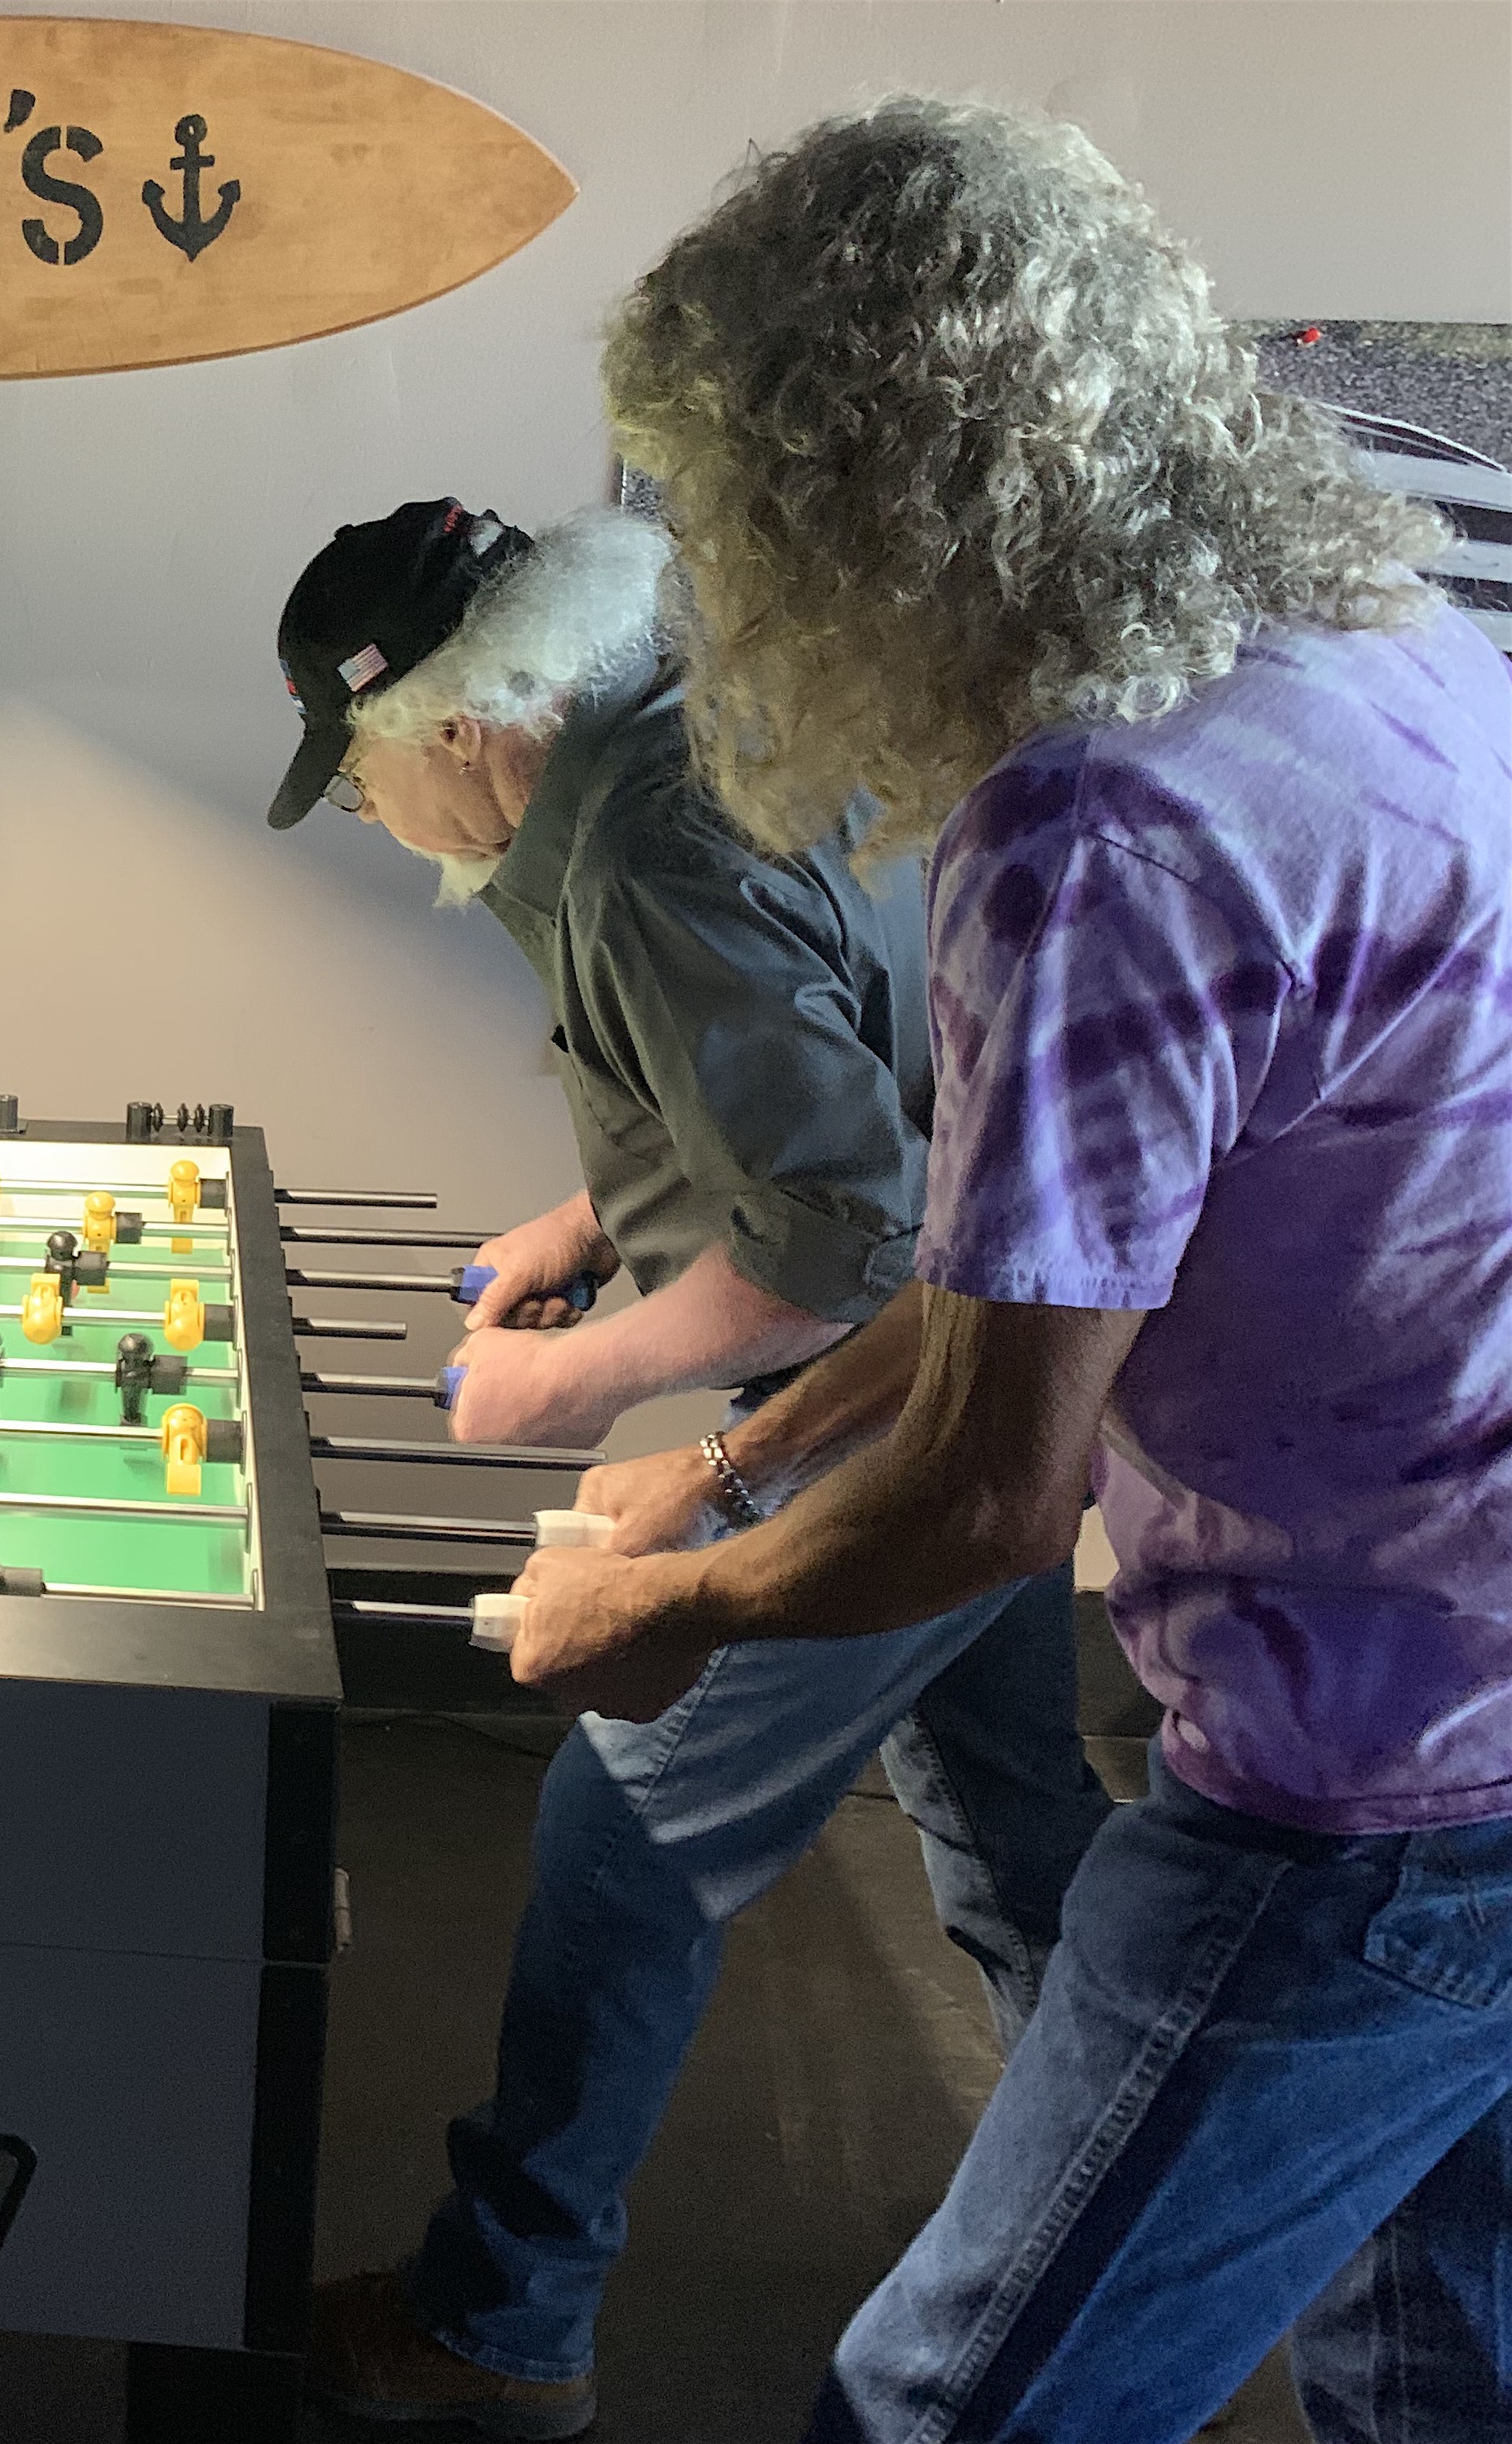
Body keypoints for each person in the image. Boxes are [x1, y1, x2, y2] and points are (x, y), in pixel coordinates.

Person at [516, 98, 1512, 2441]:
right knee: (1439, 2380)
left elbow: (988, 1493)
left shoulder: (1098, 820)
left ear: (846, 500)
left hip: (1356, 1786)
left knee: (948, 2408)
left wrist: (649, 1612)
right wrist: (738, 1459)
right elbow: (1030, 1264)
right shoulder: (1393, 653)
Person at [272, 500, 1111, 2437]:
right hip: (967, 1358)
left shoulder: (639, 851)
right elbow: (787, 1064)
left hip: (879, 1386)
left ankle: (497, 2326)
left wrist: (597, 1408)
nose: (369, 817)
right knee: (1001, 1826)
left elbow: (831, 1231)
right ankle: (1118, 2224)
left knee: (618, 1838)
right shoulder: (701, 729)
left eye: (358, 778)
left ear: (458, 729)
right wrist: (595, 1217)